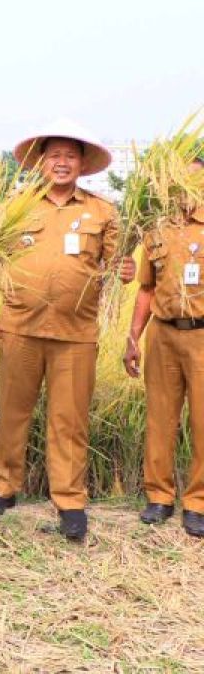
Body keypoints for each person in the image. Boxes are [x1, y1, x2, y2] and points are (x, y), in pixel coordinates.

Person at [0, 120, 135, 541]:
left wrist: (129, 268)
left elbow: (121, 266)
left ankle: (69, 499)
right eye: (54, 155)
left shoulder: (103, 211)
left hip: (75, 333)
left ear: (82, 163)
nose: (62, 163)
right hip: (20, 327)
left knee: (69, 419)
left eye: (70, 155)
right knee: (13, 411)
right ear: (42, 162)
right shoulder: (16, 206)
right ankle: (2, 488)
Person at [123, 153, 204, 537]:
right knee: (160, 419)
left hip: (202, 335)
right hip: (163, 335)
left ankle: (198, 503)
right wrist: (132, 337)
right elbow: (146, 288)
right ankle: (159, 497)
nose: (185, 189)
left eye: (193, 180)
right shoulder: (156, 230)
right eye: (178, 181)